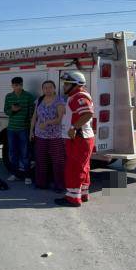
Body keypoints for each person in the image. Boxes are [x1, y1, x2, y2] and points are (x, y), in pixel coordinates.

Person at [55, 71, 95, 207]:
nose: (64, 86)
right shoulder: (75, 96)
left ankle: (72, 199)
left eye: (67, 84)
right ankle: (82, 194)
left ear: (75, 85)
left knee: (74, 168)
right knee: (82, 167)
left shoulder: (79, 96)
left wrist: (73, 128)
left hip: (79, 138)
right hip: (80, 138)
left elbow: (88, 113)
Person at [30, 80, 66, 192]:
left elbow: (60, 119)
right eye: (45, 87)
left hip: (55, 135)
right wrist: (31, 131)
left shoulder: (59, 100)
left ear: (54, 88)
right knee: (40, 160)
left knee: (58, 161)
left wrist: (47, 123)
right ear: (42, 89)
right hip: (40, 135)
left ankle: (59, 185)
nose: (48, 89)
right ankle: (41, 183)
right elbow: (34, 116)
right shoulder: (39, 100)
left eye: (50, 87)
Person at [3, 76, 35, 185]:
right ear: (12, 86)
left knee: (25, 153)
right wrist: (12, 110)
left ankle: (27, 175)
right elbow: (6, 111)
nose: (17, 87)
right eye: (15, 85)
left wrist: (31, 127)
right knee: (12, 152)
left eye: (19, 85)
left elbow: (32, 113)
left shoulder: (28, 96)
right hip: (11, 128)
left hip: (24, 128)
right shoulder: (9, 96)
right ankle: (15, 174)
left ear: (22, 85)